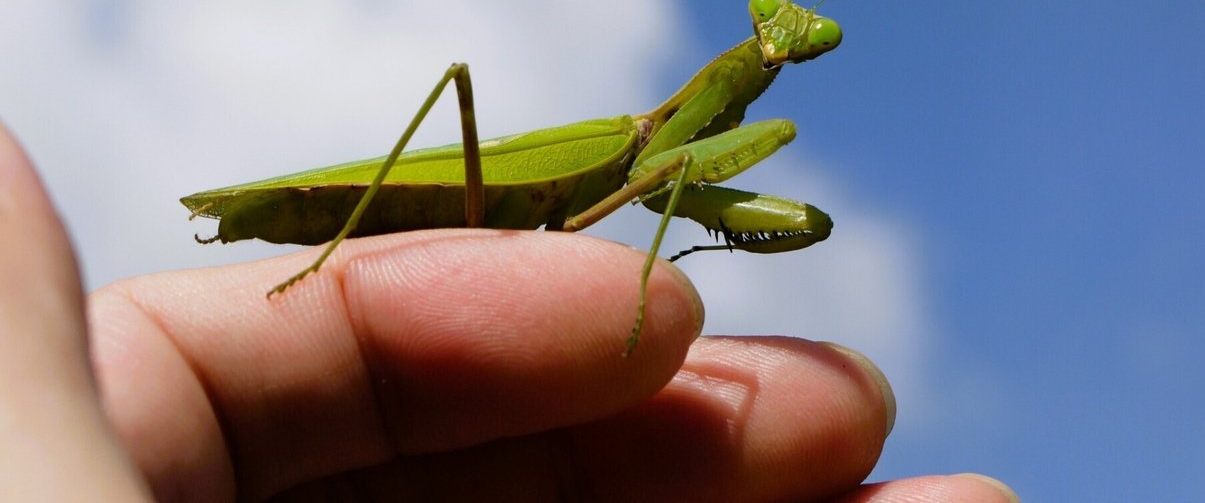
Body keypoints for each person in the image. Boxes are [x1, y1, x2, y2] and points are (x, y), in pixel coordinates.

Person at [0, 122, 1016, 502]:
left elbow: (681, 193)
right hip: (434, 201)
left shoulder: (664, 156)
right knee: (460, 84)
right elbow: (652, 191)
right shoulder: (640, 143)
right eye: (775, 41)